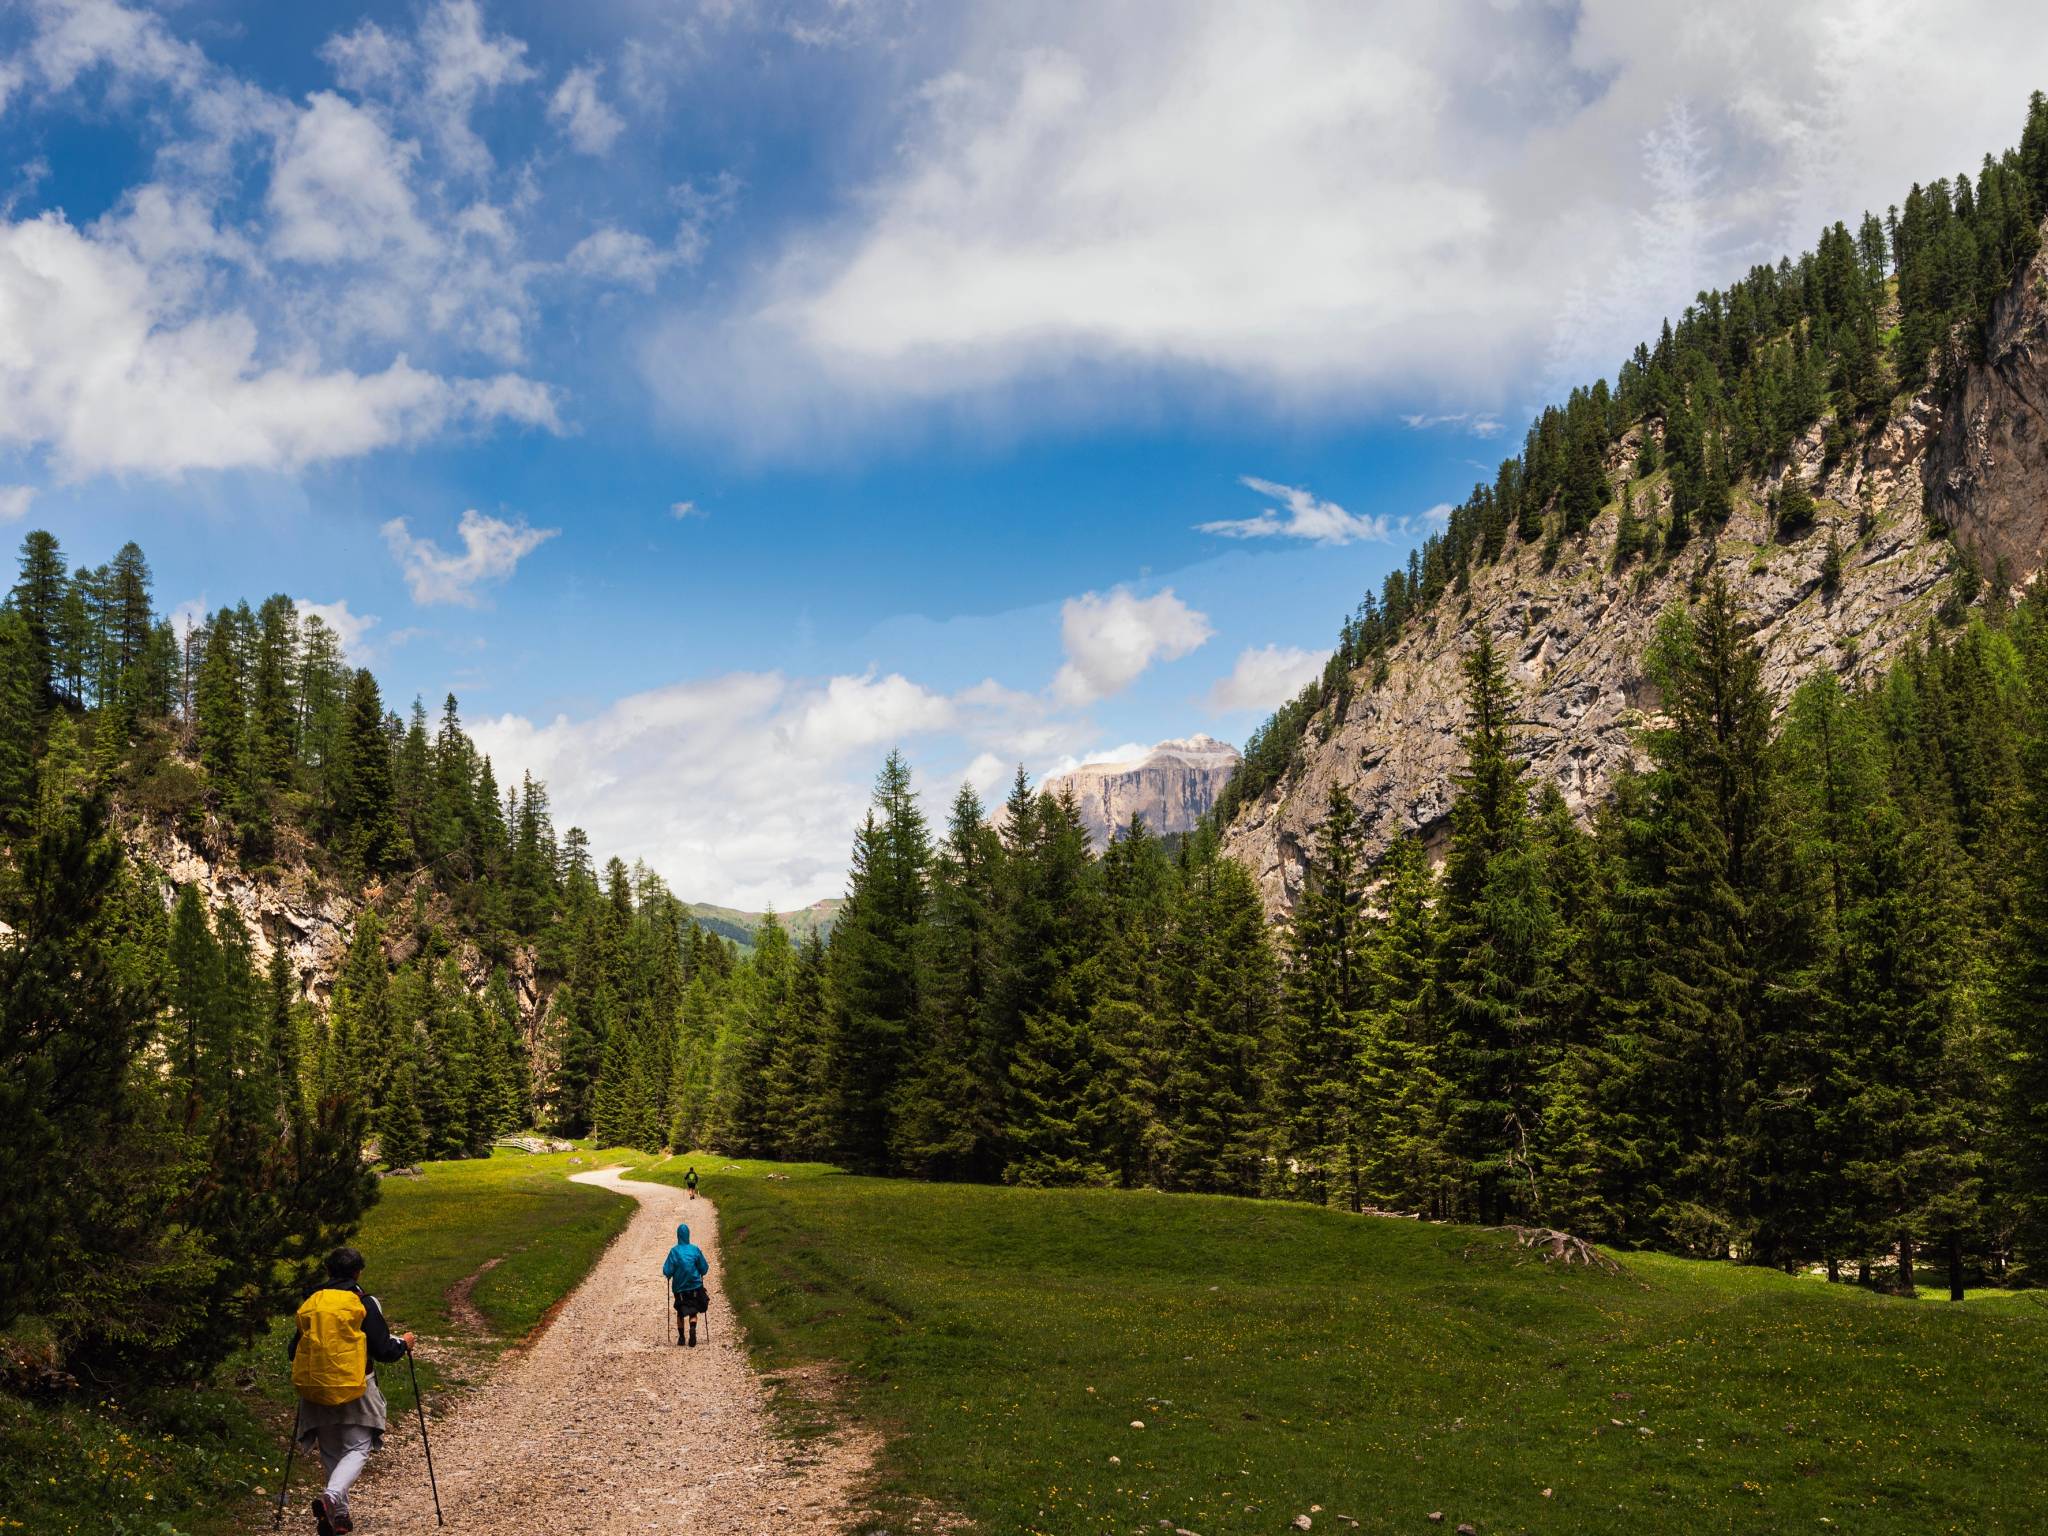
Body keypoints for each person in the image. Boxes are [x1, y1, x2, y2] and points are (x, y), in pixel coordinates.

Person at [288, 1246, 416, 1536]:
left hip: (316, 1387)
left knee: (332, 1451)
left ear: (328, 1271)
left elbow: (293, 1350)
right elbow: (383, 1349)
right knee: (358, 1446)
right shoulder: (363, 1301)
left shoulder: (312, 1302)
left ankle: (339, 1516)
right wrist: (404, 1343)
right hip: (356, 1385)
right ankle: (331, 1497)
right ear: (359, 1271)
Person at [663, 1221, 710, 1347]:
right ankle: (693, 1328)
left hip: (679, 1288)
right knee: (693, 1310)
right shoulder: (695, 1250)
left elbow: (667, 1270)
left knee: (680, 1310)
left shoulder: (674, 1251)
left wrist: (669, 1275)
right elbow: (704, 1268)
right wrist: (700, 1272)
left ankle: (682, 1338)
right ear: (688, 1235)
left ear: (678, 1236)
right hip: (694, 1285)